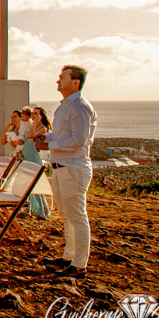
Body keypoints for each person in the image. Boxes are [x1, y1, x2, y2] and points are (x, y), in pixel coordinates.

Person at [36, 65, 97, 278]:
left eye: (62, 77)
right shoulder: (64, 107)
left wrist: (49, 146)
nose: (58, 81)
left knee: (77, 216)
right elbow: (61, 134)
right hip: (60, 168)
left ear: (75, 82)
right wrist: (46, 137)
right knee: (67, 216)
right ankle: (68, 258)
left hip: (73, 168)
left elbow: (79, 140)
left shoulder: (80, 108)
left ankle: (79, 264)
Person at [22, 106, 52, 218]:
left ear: (41, 116)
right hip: (27, 154)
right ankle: (31, 207)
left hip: (34, 156)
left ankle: (43, 210)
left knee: (36, 182)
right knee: (29, 182)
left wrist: (34, 123)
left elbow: (31, 136)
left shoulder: (42, 128)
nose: (33, 115)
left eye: (36, 113)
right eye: (33, 113)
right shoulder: (32, 126)